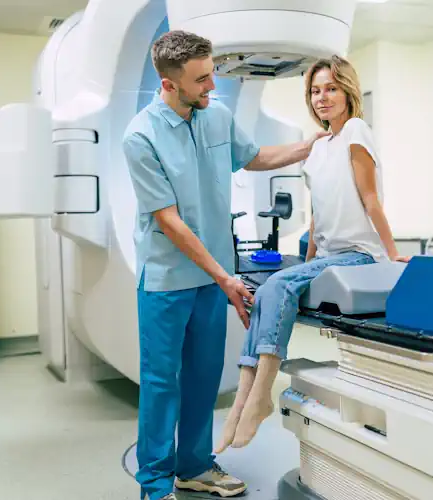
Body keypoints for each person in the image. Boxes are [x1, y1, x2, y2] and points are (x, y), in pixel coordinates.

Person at [122, 30, 330, 500]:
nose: (211, 86)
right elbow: (169, 221)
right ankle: (154, 484)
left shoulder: (216, 115)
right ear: (169, 83)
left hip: (213, 279)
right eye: (200, 80)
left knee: (202, 376)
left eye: (211, 72)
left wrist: (314, 146)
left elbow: (254, 157)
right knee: (160, 383)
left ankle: (194, 465)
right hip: (166, 280)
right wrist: (224, 276)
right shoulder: (140, 137)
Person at [215, 55, 409, 454]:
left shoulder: (356, 130)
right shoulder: (318, 147)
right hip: (329, 256)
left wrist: (392, 255)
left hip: (361, 254)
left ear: (348, 91)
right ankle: (245, 397)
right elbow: (318, 216)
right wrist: (307, 266)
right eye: (316, 91)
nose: (323, 98)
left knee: (279, 284)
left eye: (332, 88)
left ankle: (261, 391)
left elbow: (370, 200)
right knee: (272, 287)